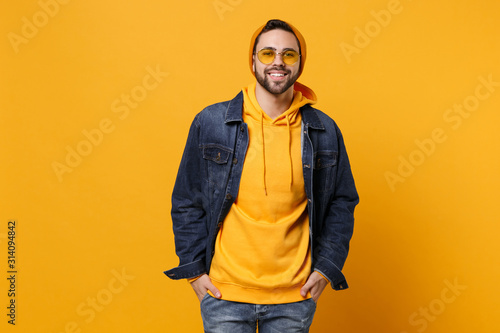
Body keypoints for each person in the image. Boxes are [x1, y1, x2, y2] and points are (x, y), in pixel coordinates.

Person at [164, 19, 359, 333]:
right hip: (224, 293)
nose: (278, 61)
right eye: (268, 53)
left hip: (294, 297)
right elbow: (187, 200)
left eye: (289, 54)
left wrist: (327, 267)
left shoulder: (324, 130)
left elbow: (342, 202)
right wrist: (194, 271)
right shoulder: (212, 122)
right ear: (253, 61)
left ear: (300, 63)